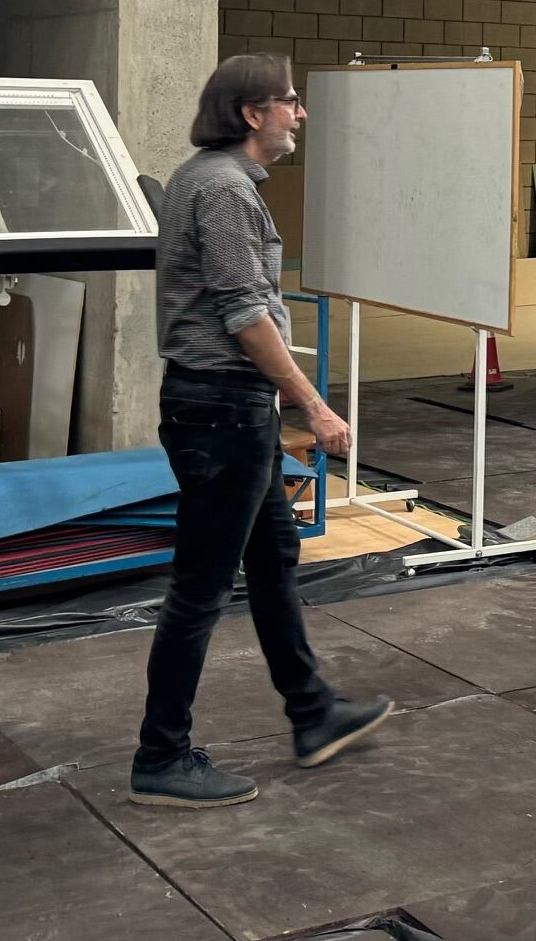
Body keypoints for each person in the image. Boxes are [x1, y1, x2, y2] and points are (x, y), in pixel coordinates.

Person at [130, 53, 394, 808]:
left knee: (274, 557)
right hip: (222, 410)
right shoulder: (220, 190)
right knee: (201, 588)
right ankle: (161, 755)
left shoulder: (214, 181)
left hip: (227, 411)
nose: (299, 114)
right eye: (289, 102)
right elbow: (245, 313)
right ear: (253, 114)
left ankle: (313, 712)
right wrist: (314, 405)